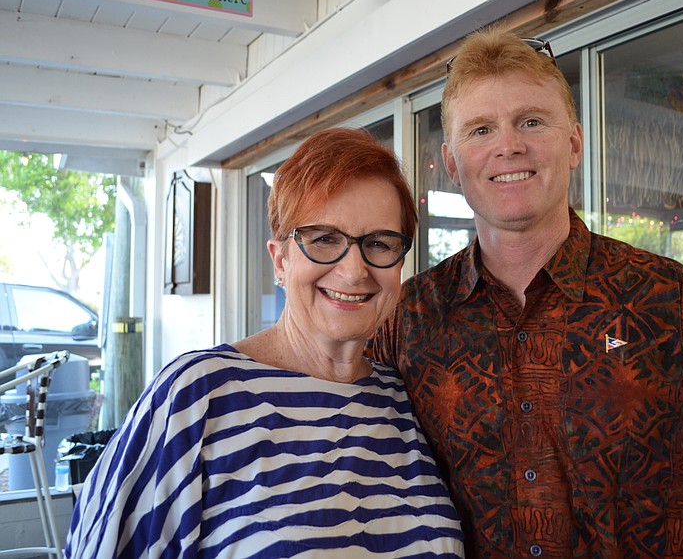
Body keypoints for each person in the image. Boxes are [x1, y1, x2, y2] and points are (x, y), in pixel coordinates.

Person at [369, 28, 683, 558]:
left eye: (531, 121)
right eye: (481, 129)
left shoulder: (674, 304)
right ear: (452, 163)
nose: (508, 145)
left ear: (574, 143)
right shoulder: (406, 321)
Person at [66, 128, 464, 558]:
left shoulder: (404, 399)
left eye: (379, 243)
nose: (354, 271)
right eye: (324, 239)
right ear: (280, 259)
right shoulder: (198, 396)